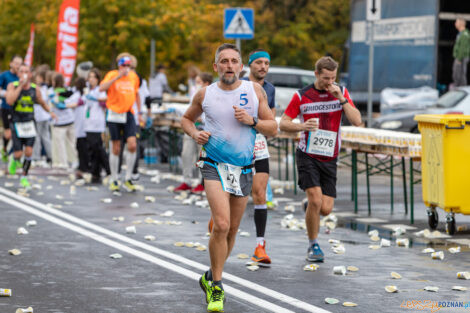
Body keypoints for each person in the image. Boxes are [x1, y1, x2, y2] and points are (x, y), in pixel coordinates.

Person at [181, 43, 277, 312]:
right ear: (216, 66)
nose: (229, 65)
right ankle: (217, 287)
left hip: (244, 168)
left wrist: (253, 121)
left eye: (234, 61)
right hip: (213, 164)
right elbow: (186, 119)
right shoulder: (205, 93)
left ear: (241, 66)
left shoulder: (253, 90)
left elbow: (273, 128)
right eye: (224, 61)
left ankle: (210, 275)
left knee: (233, 229)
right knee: (221, 225)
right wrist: (194, 133)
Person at [279, 56, 362, 262]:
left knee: (325, 209)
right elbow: (283, 123)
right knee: (316, 199)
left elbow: (357, 121)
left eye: (333, 78)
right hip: (307, 153)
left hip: (330, 156)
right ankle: (313, 245)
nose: (329, 83)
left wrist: (341, 100)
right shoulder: (301, 96)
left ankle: (311, 208)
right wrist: (302, 127)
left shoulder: (341, 92)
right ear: (316, 74)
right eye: (325, 78)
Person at [242, 49, 276, 265]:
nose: (263, 67)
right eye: (259, 63)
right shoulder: (239, 85)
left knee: (260, 194)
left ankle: (260, 246)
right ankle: (218, 223)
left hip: (259, 143)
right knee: (233, 194)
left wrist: (260, 124)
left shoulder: (270, 89)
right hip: (235, 145)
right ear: (250, 65)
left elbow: (271, 119)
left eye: (267, 63)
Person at [5, 63, 54, 187]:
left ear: (30, 74)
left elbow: (41, 102)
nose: (24, 74)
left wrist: (50, 112)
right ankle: (14, 160)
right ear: (18, 74)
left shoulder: (35, 88)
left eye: (27, 71)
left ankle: (24, 176)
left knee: (28, 152)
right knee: (18, 153)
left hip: (30, 123)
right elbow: (10, 101)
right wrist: (21, 85)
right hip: (16, 123)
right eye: (22, 71)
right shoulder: (13, 85)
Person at [99, 54, 142, 192]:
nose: (126, 68)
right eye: (123, 65)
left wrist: (140, 113)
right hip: (114, 113)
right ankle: (114, 178)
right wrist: (117, 77)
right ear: (119, 66)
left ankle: (128, 178)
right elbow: (102, 88)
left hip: (128, 113)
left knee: (132, 144)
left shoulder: (134, 77)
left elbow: (136, 93)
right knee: (116, 147)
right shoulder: (112, 74)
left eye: (128, 65)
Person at [175, 72, 213, 193]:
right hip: (192, 129)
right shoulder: (194, 95)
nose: (195, 85)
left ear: (206, 84)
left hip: (204, 130)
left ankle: (202, 183)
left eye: (198, 82)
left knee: (201, 157)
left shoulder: (212, 96)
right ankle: (187, 181)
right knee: (186, 154)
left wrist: (202, 118)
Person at [84, 68, 110, 183]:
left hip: (97, 122)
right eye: (89, 77)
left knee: (98, 147)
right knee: (92, 148)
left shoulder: (100, 90)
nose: (91, 79)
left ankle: (109, 169)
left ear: (97, 79)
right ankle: (95, 171)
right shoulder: (89, 90)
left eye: (93, 77)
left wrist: (97, 99)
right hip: (89, 122)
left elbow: (105, 102)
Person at [49, 73, 77, 169]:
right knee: (72, 143)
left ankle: (63, 162)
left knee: (60, 144)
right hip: (70, 120)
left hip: (59, 122)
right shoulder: (69, 91)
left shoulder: (53, 93)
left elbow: (58, 105)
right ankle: (74, 161)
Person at [0, 55, 23, 162]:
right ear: (11, 63)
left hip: (18, 109)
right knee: (8, 134)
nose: (18, 66)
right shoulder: (4, 75)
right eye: (16, 63)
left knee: (18, 133)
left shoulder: (21, 76)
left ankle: (15, 156)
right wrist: (9, 94)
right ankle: (4, 149)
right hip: (6, 107)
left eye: (20, 63)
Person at [32, 69, 53, 164]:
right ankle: (50, 155)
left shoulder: (38, 89)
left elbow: (41, 102)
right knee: (46, 136)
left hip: (39, 115)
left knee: (37, 137)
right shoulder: (45, 89)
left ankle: (36, 156)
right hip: (45, 115)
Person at [71, 77, 90, 179]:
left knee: (82, 147)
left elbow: (72, 103)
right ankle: (82, 166)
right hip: (80, 124)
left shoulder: (84, 95)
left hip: (84, 124)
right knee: (80, 146)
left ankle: (84, 167)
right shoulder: (77, 95)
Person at [452, 18, 470, 87]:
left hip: (461, 57)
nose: (455, 24)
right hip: (459, 57)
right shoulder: (461, 33)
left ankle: (461, 88)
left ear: (461, 24)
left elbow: (462, 47)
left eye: (456, 22)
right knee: (456, 74)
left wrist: (459, 58)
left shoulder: (464, 34)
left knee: (460, 74)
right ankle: (458, 87)